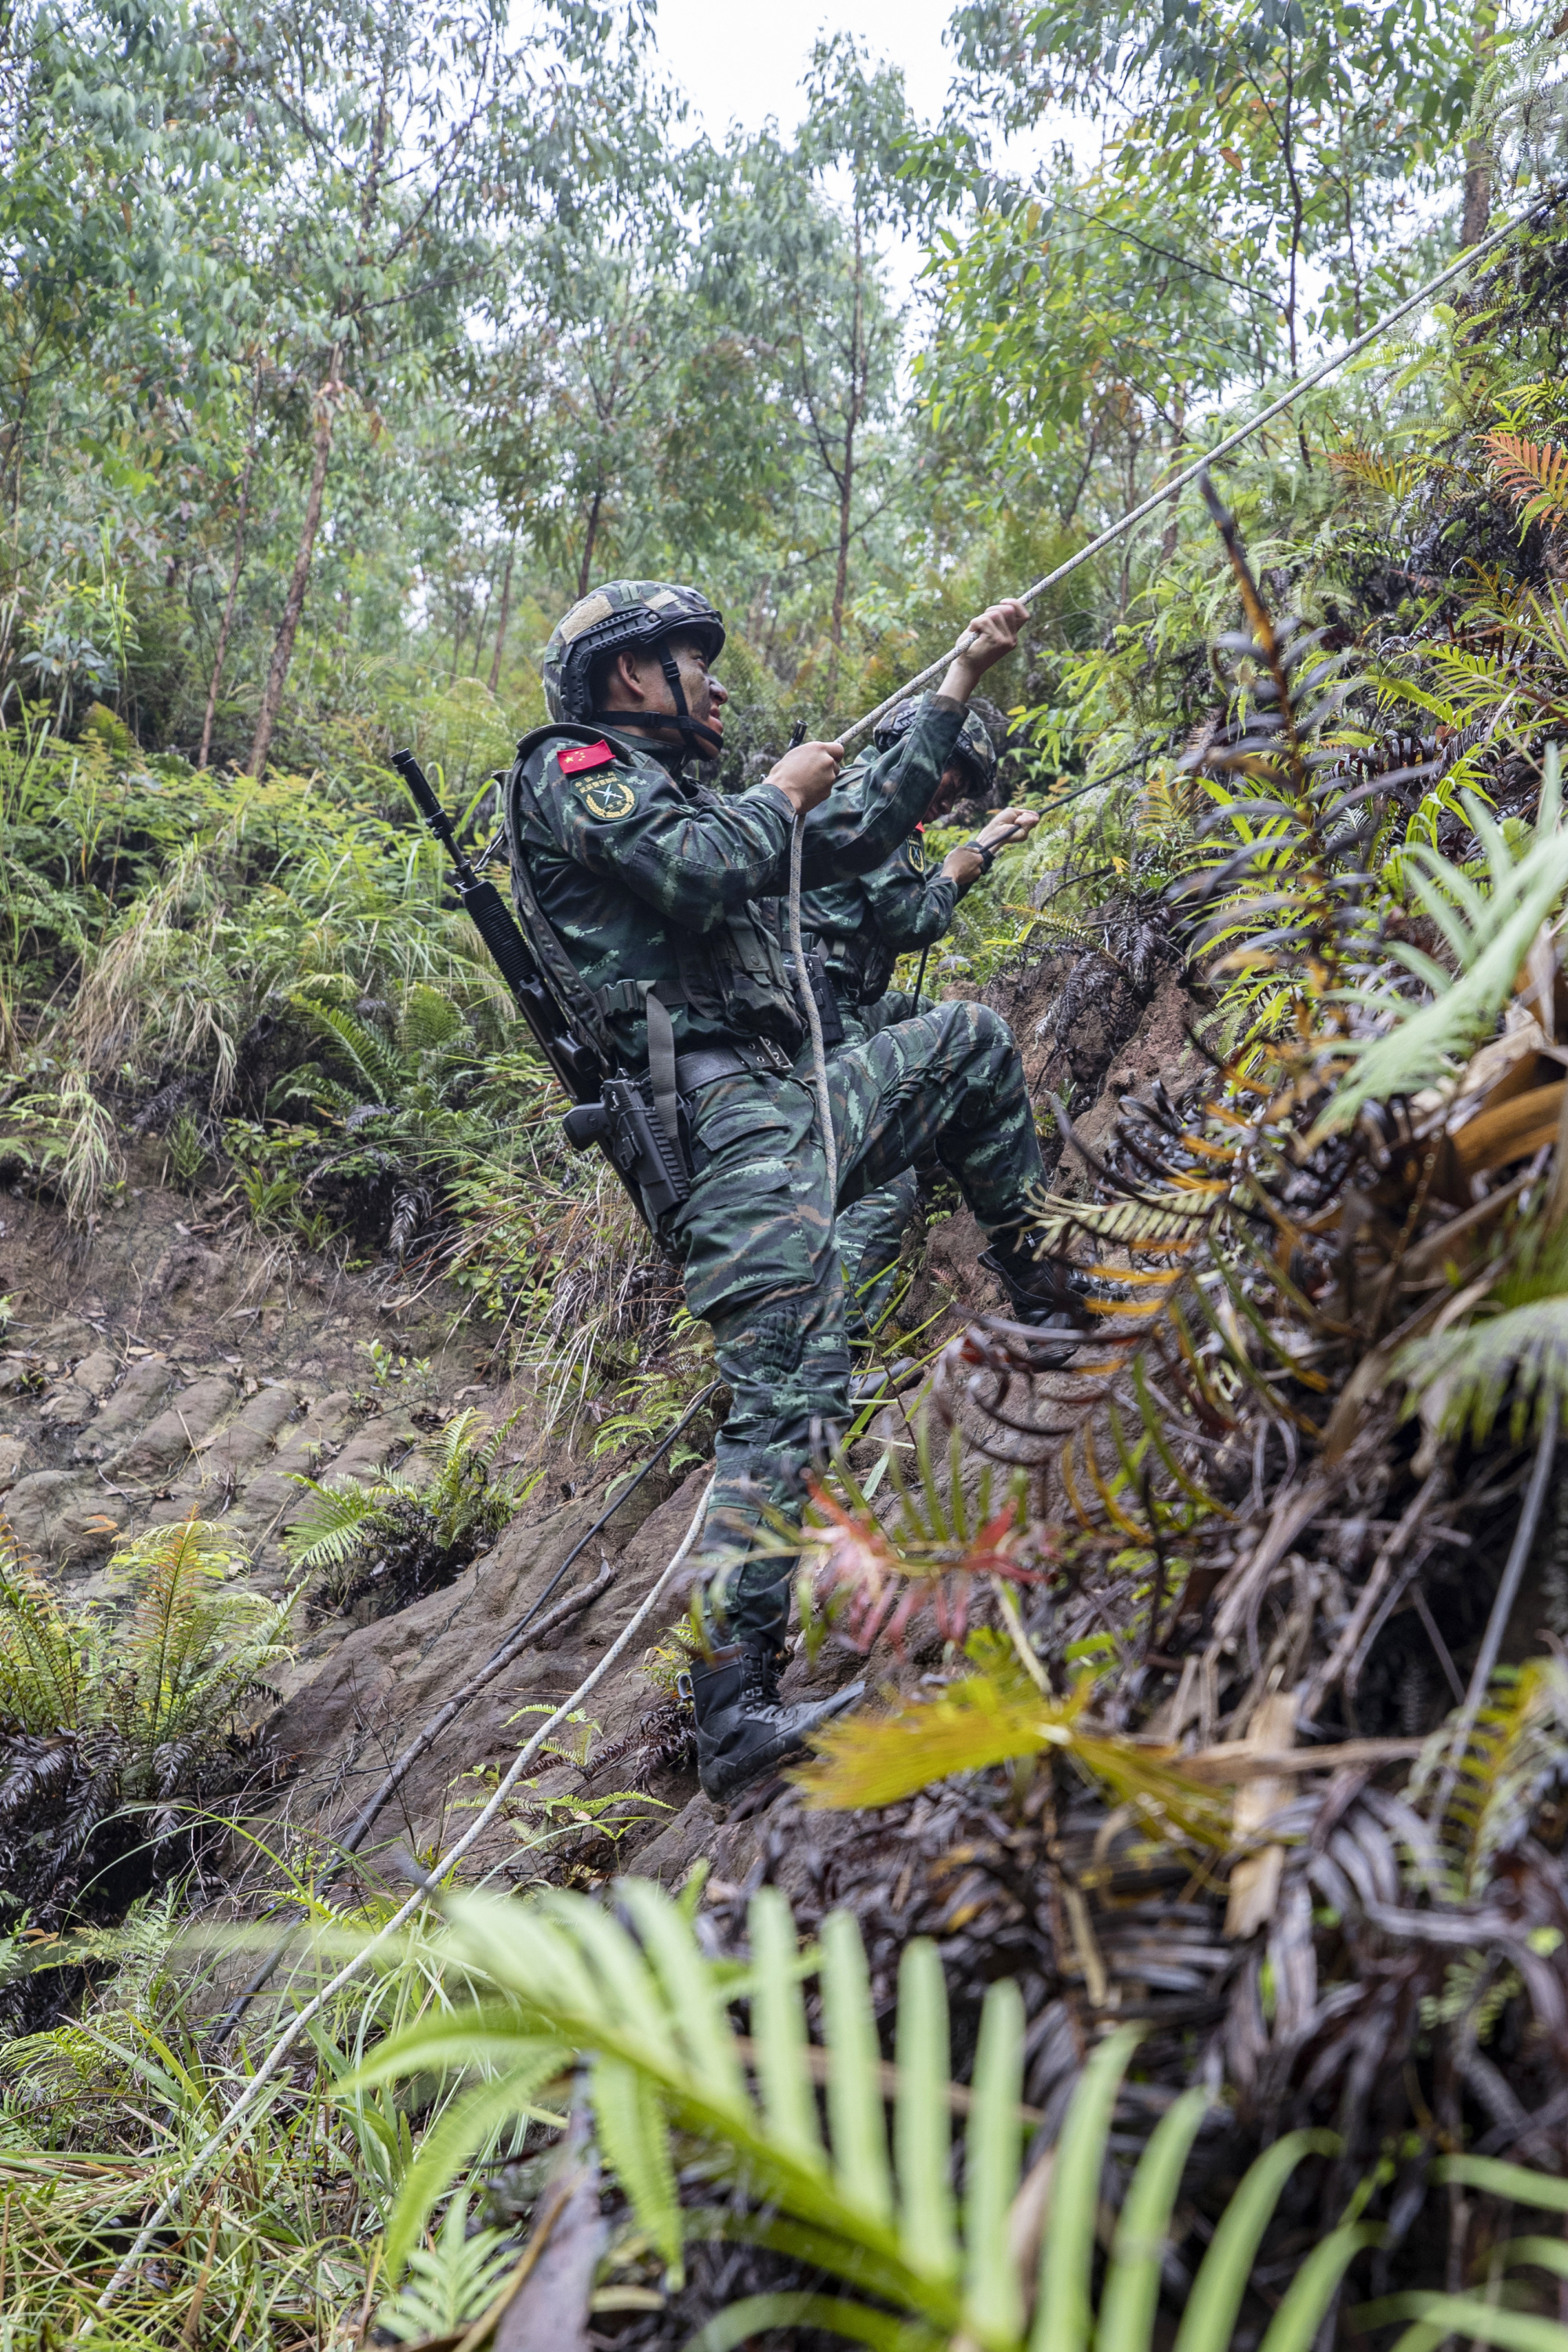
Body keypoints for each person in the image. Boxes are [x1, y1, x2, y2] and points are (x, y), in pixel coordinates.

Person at [506, 580, 1080, 1804]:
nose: (712, 684)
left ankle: (1045, 1292)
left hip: (785, 1098)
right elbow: (703, 871)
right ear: (625, 680)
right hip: (720, 1129)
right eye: (688, 663)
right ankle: (734, 1713)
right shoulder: (576, 771)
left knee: (969, 1048)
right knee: (788, 1392)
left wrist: (959, 681)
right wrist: (777, 797)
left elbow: (869, 840)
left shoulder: (694, 796)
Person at [800, 699, 1040, 1350]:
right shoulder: (879, 804)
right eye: (944, 774)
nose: (944, 793)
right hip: (816, 1010)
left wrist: (982, 846)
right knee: (886, 1186)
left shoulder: (861, 795)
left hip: (833, 996)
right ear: (910, 746)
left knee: (918, 1017)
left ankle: (943, 1137)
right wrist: (959, 874)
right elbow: (912, 922)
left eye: (958, 788)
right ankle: (839, 1348)